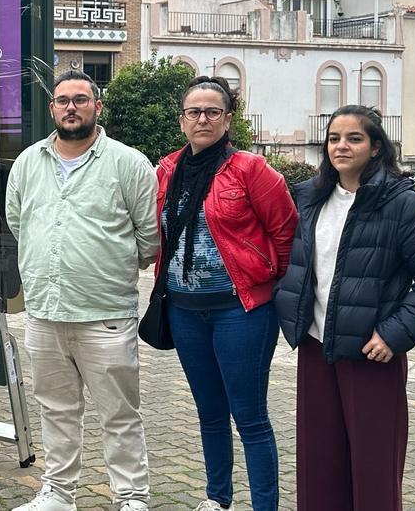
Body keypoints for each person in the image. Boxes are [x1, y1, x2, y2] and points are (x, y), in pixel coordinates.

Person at [274, 105, 415, 511]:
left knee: (373, 470)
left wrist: (394, 333)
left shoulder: (400, 203)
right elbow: (298, 264)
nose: (341, 146)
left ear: (375, 148)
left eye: (354, 138)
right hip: (317, 347)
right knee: (319, 466)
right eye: (334, 138)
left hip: (371, 354)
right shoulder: (309, 197)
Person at [5, 70, 161, 511]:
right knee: (56, 410)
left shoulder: (129, 163)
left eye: (80, 99)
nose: (70, 107)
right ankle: (58, 494)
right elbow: (19, 223)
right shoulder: (28, 162)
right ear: (52, 108)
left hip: (105, 314)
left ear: (97, 106)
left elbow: (148, 239)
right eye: (62, 100)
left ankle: (131, 498)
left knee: (120, 414)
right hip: (44, 312)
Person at [154, 76, 297, 511]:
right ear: (182, 121)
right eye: (193, 112)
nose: (202, 119)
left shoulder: (252, 170)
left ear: (228, 119)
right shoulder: (165, 170)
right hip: (183, 309)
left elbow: (286, 234)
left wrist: (271, 284)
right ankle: (217, 499)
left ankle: (264, 506)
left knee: (249, 417)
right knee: (209, 413)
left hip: (242, 311)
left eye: (212, 111)